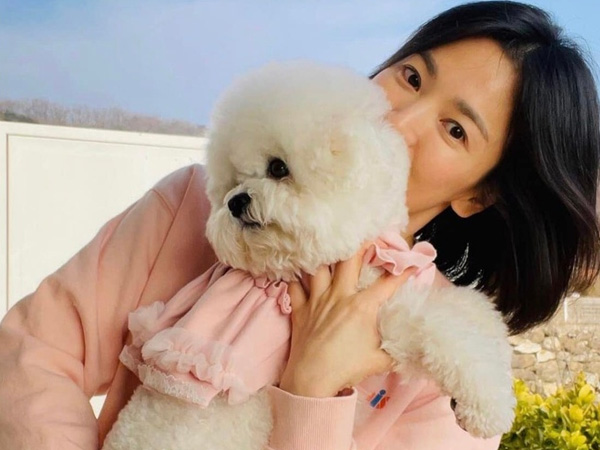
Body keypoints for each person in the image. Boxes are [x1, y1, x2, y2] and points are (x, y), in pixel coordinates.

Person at [0, 1, 598, 449]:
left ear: (479, 194)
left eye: (456, 129)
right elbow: (34, 354)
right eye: (412, 77)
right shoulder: (196, 204)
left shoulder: (446, 367)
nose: (400, 120)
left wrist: (313, 388)